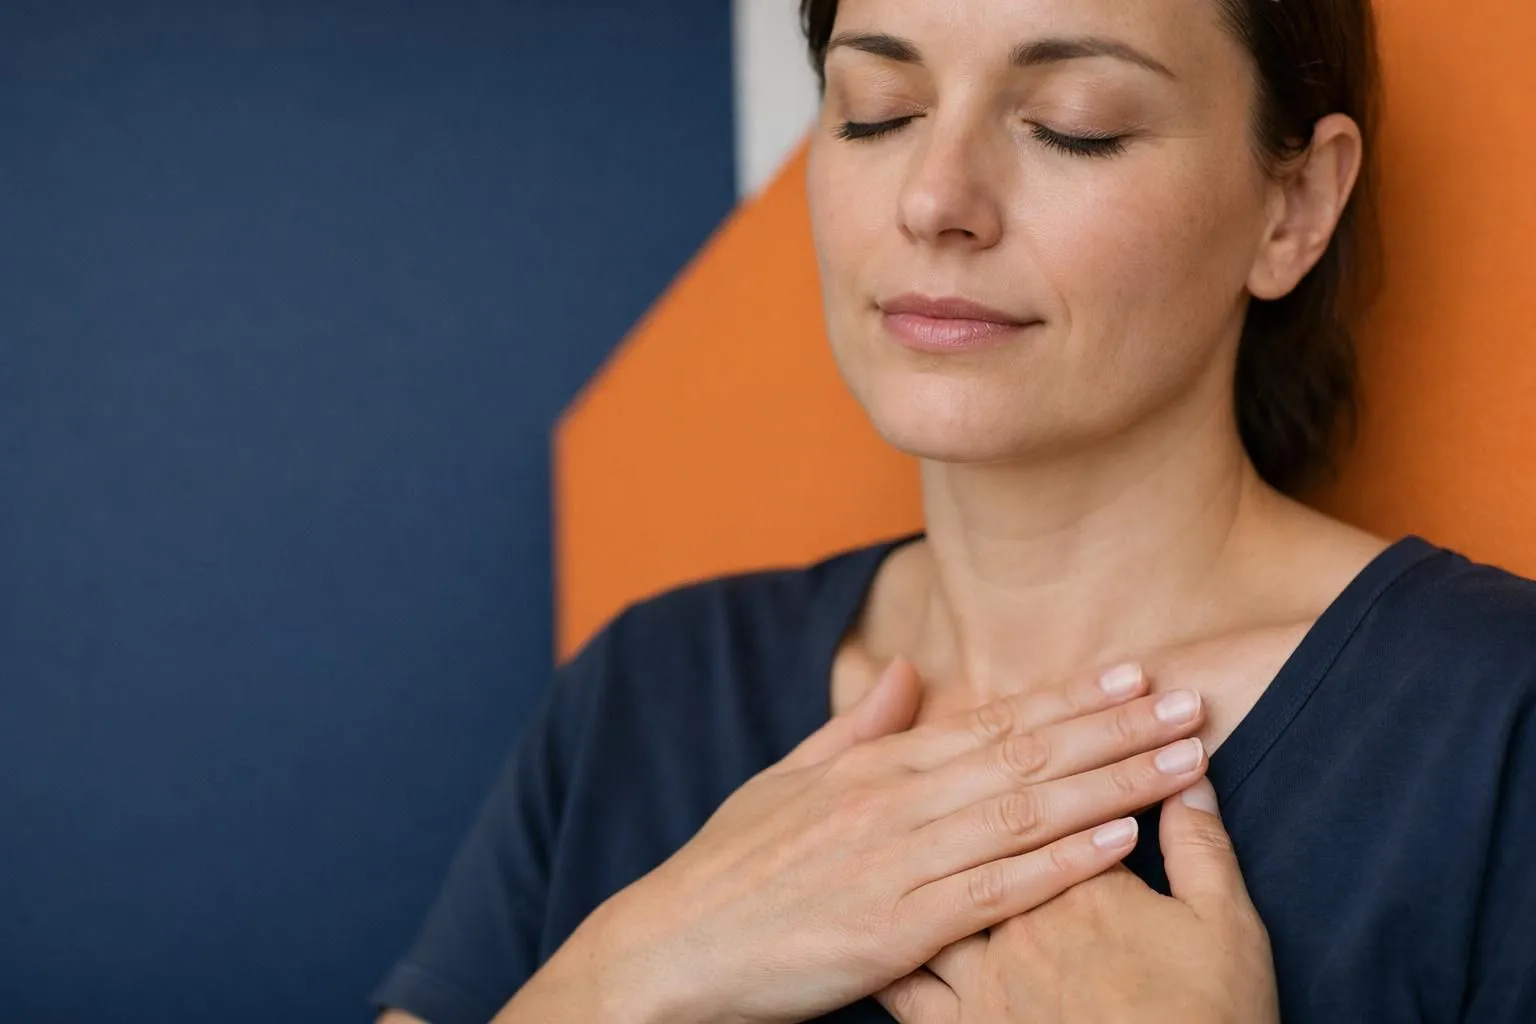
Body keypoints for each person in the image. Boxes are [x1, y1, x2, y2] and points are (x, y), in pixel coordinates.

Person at [374, 0, 1536, 1020]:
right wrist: (628, 974)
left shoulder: (1494, 726)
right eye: (877, 111)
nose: (935, 200)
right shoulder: (648, 696)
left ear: (1295, 205)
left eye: (1074, 124)